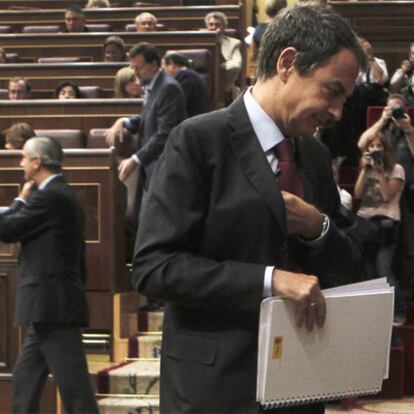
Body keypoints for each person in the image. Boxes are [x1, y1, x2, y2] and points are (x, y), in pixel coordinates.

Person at [132, 4, 367, 413]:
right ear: (288, 63)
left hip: (298, 386)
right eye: (332, 92)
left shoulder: (312, 155)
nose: (337, 113)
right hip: (214, 390)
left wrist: (318, 226)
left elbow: (347, 269)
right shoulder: (199, 140)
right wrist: (269, 280)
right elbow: (155, 267)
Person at [0, 137, 99, 414]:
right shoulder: (59, 194)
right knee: (25, 377)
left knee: (74, 386)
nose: (20, 163)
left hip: (53, 304)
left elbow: (7, 230)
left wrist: (20, 199)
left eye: (23, 157)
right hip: (52, 302)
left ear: (37, 161)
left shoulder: (50, 196)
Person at [105, 43, 186, 209]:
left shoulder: (167, 88)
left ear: (154, 65)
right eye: (132, 67)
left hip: (165, 168)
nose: (134, 72)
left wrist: (136, 159)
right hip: (154, 169)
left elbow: (165, 133)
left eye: (138, 68)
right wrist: (124, 121)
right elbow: (148, 119)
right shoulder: (153, 86)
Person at [358, 93, 414, 314]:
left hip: (405, 195)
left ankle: (406, 292)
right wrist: (382, 120)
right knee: (378, 259)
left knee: (408, 246)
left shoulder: (408, 131)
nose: (395, 114)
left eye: (398, 108)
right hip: (378, 201)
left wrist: (408, 128)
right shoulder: (380, 133)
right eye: (391, 109)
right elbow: (362, 143)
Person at [354, 132, 406, 323]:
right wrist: (364, 171)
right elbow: (358, 193)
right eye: (372, 146)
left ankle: (398, 311)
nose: (375, 149)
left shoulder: (397, 169)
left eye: (379, 146)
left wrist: (380, 171)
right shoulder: (366, 167)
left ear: (385, 149)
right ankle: (373, 313)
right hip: (365, 221)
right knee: (368, 269)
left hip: (386, 223)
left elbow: (386, 196)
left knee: (383, 268)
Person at [205, 11, 242, 104]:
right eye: (211, 24)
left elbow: (236, 65)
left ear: (224, 27)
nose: (214, 28)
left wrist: (218, 68)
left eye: (217, 25)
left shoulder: (233, 43)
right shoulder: (199, 42)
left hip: (225, 89)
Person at [162, 51, 210, 117]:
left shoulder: (185, 77)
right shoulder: (189, 74)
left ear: (171, 64)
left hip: (193, 123)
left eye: (164, 69)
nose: (164, 73)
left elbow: (175, 105)